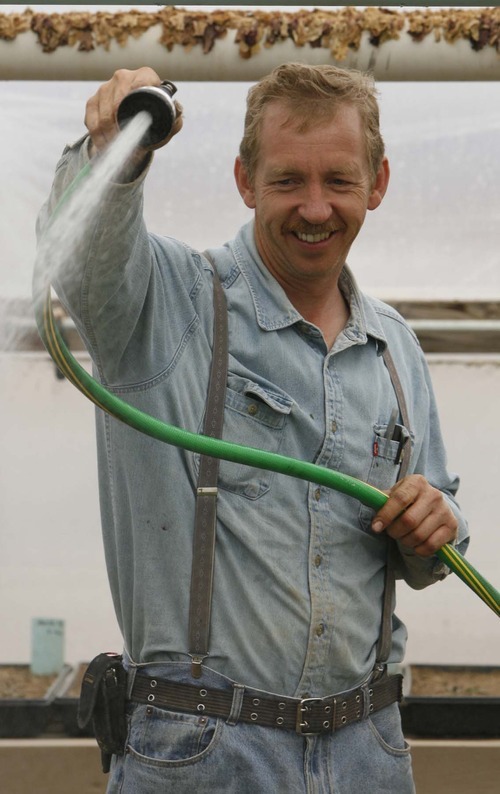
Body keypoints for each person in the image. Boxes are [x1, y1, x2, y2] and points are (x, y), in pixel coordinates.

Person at [37, 63, 469, 793]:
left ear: (379, 182)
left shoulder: (394, 348)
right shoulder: (169, 306)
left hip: (368, 751)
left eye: (338, 180)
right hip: (204, 751)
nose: (314, 207)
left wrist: (438, 525)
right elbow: (80, 259)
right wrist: (117, 151)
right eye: (286, 181)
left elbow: (435, 552)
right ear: (244, 179)